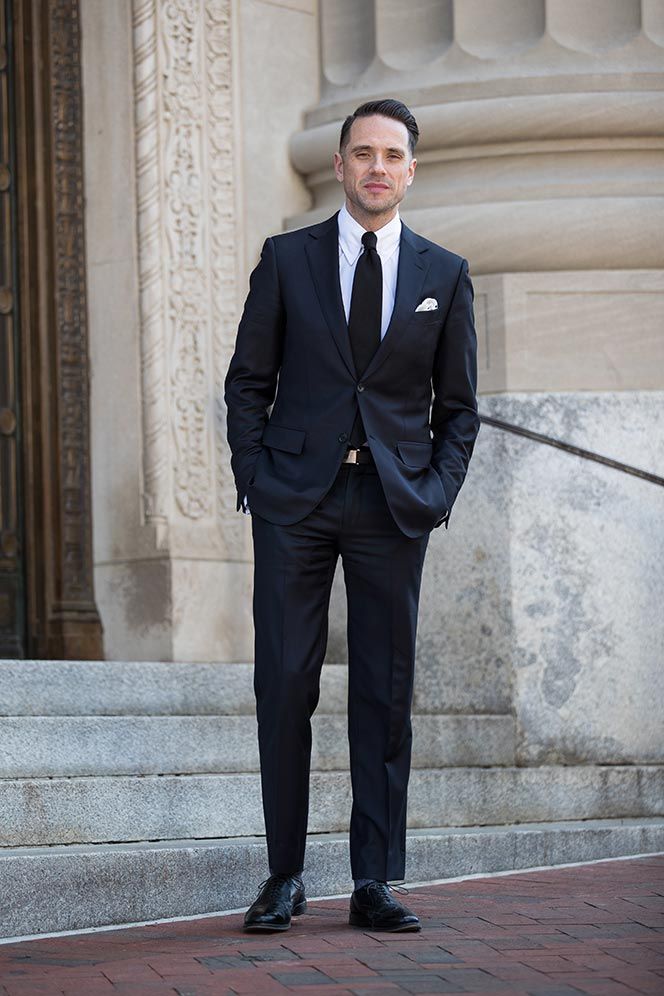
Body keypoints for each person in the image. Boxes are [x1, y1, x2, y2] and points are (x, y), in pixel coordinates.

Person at [224, 98, 480, 933]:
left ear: (411, 170)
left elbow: (461, 409)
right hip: (295, 500)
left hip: (392, 504)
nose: (376, 167)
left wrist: (437, 492)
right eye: (362, 152)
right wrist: (256, 477)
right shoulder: (287, 260)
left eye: (392, 155)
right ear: (339, 166)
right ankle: (285, 876)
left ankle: (373, 880)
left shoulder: (444, 275)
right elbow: (247, 383)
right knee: (284, 683)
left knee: (383, 690)